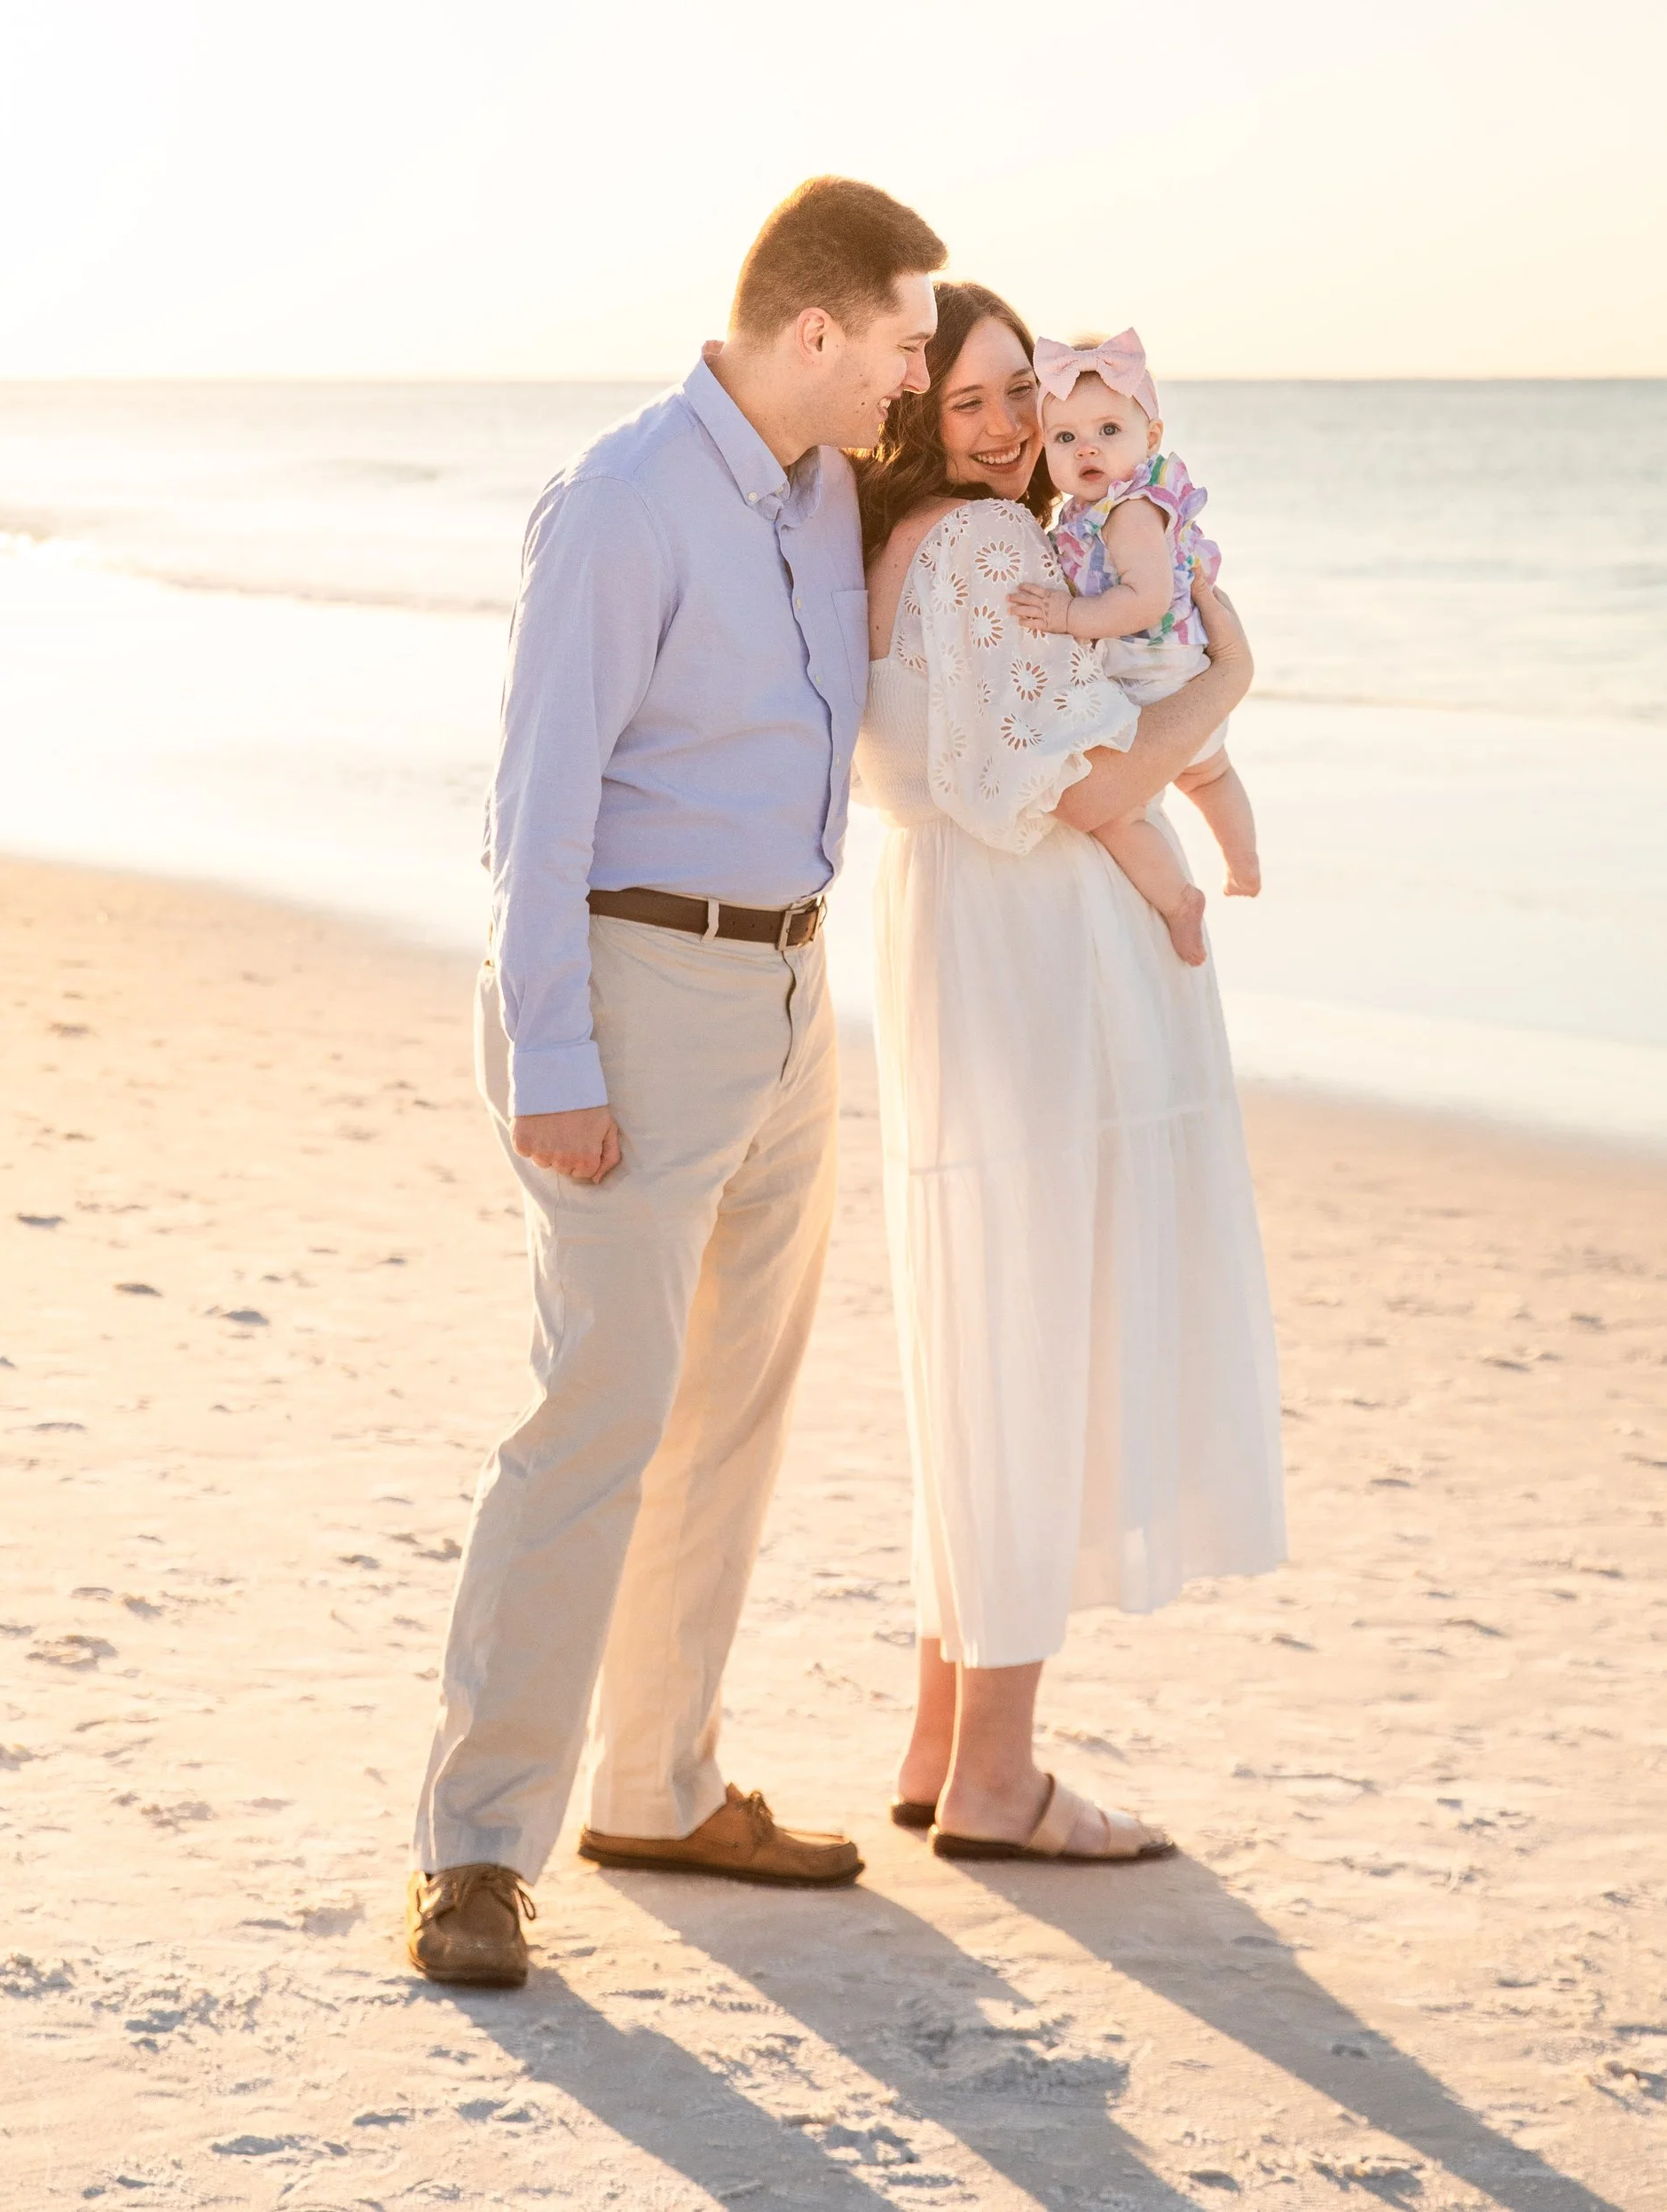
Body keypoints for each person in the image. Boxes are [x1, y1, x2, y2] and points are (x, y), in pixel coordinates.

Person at [406, 175, 948, 1989]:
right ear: (812, 332)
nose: (911, 382)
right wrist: (549, 1052)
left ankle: (655, 1783)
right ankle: (477, 1849)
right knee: (593, 1422)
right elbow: (533, 805)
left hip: (788, 993)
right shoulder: (625, 503)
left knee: (729, 1410)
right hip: (631, 996)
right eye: (898, 345)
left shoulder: (814, 497)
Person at [856, 283, 1286, 1863]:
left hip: (970, 945)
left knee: (986, 1323)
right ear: (913, 413)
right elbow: (1082, 772)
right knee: (1031, 1325)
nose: (1009, 428)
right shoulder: (986, 549)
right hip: (1040, 957)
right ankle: (994, 1777)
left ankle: (939, 1741)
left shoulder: (892, 551)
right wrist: (1222, 696)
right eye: (967, 401)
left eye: (1020, 394)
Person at [1006, 326, 1263, 964]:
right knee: (1211, 774)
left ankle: (1179, 901)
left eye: (1108, 432)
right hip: (1169, 672)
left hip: (1155, 677)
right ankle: (1243, 864)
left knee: (1116, 813)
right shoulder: (1096, 513)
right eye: (1065, 438)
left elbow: (1144, 600)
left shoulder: (1130, 512)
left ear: (1151, 438)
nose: (1086, 448)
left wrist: (1068, 614)